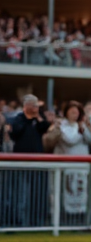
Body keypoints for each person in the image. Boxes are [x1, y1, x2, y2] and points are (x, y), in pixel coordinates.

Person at [5, 95, 52, 227]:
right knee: (19, 194)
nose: (36, 108)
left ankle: (37, 222)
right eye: (33, 105)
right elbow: (15, 133)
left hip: (38, 160)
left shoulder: (39, 119)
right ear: (26, 106)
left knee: (37, 193)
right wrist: (28, 119)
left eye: (37, 105)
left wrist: (38, 118)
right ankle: (16, 221)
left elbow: (45, 128)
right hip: (20, 160)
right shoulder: (18, 119)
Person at [54, 101, 91, 217]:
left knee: (81, 191)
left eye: (77, 112)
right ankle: (68, 215)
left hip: (82, 164)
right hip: (68, 164)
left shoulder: (82, 126)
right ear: (66, 113)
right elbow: (70, 140)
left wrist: (84, 129)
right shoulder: (62, 125)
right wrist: (80, 132)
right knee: (69, 190)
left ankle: (81, 214)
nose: (74, 115)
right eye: (72, 112)